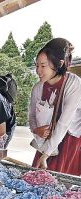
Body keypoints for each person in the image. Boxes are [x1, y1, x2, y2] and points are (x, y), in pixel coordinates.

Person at [29, 38, 81, 175]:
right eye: (37, 65)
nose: (38, 70)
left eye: (43, 66)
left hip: (69, 138)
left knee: (58, 181)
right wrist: (36, 129)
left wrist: (46, 154)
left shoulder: (74, 84)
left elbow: (64, 122)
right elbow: (32, 116)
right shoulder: (38, 88)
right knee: (37, 177)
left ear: (59, 63)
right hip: (46, 138)